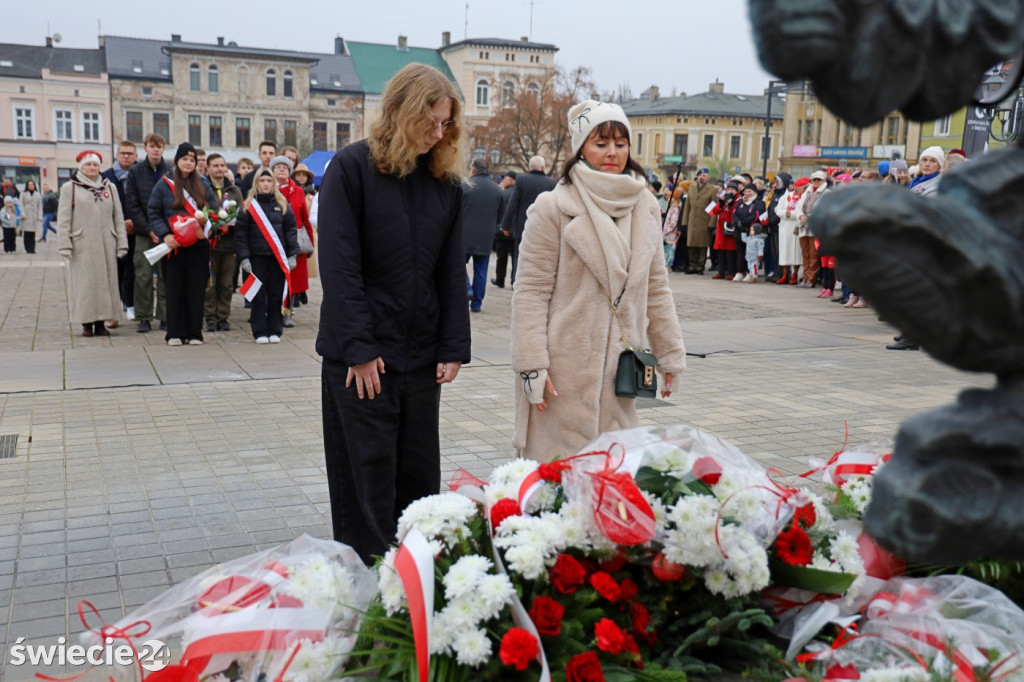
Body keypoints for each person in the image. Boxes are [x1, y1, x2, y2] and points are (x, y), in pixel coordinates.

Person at [317, 62, 471, 564]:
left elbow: (451, 272)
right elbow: (339, 268)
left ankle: (417, 582)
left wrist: (453, 347)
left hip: (421, 358)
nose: (439, 132)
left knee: (420, 479)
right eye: (431, 121)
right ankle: (368, 586)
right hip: (363, 361)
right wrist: (359, 350)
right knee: (367, 479)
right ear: (401, 112)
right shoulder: (351, 168)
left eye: (447, 123)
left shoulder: (443, 183)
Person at [510, 100, 686, 462]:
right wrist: (532, 365)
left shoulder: (645, 206)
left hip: (621, 370)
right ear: (581, 148)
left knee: (613, 480)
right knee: (556, 485)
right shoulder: (553, 207)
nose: (612, 153)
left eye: (620, 144)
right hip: (562, 371)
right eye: (601, 143)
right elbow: (530, 291)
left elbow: (656, 288)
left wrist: (669, 355)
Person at [147, 142, 218, 346]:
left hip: (197, 246)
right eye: (184, 159)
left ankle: (195, 332)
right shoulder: (164, 184)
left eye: (192, 160)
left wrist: (208, 228)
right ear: (177, 161)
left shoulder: (203, 184)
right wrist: (165, 234)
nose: (188, 163)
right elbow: (154, 212)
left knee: (196, 289)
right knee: (174, 289)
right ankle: (174, 333)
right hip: (174, 246)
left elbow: (212, 210)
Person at [57, 150, 128, 336]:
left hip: (107, 242)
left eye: (95, 165)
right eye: (88, 164)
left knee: (106, 284)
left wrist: (121, 242)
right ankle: (86, 323)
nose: (92, 168)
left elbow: (118, 216)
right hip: (83, 244)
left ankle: (101, 322)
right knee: (85, 285)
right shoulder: (70, 188)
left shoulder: (109, 187)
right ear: (81, 167)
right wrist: (64, 243)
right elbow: (63, 218)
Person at [235, 167, 298, 343]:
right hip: (256, 258)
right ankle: (259, 331)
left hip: (277, 259)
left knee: (276, 295)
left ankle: (275, 330)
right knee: (257, 296)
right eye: (262, 181)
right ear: (256, 183)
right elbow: (241, 235)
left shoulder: (283, 204)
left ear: (274, 183)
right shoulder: (248, 206)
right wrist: (244, 258)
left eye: (269, 181)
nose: (266, 184)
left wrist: (293, 254)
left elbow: (291, 231)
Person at [125, 133, 170, 333]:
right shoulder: (135, 172)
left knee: (165, 275)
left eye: (159, 146)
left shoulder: (170, 171)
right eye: (152, 146)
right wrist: (149, 229)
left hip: (166, 232)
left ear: (163, 149)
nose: (156, 149)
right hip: (144, 232)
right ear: (145, 148)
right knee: (142, 275)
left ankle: (165, 315)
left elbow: (173, 203)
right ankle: (143, 317)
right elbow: (132, 205)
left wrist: (163, 230)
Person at [271, 155, 313, 323]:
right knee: (274, 277)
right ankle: (272, 311)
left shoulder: (298, 191)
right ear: (272, 171)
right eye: (278, 166)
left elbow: (305, 218)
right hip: (272, 239)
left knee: (292, 280)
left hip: (293, 240)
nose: (282, 169)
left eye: (285, 167)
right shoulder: (267, 188)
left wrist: (309, 243)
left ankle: (287, 312)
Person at [501, 155, 556, 284]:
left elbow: (513, 204)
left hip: (523, 227)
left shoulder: (522, 180)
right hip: (544, 230)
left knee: (519, 259)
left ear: (530, 167)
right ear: (543, 167)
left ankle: (517, 284)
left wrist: (506, 226)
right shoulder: (552, 183)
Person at [462, 158, 505, 313]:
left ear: (473, 170)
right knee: (481, 270)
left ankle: (467, 288)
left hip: (464, 235)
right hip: (486, 237)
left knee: (457, 264)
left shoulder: (465, 186)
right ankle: (476, 304)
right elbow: (501, 216)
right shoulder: (497, 190)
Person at [204, 153, 241, 331]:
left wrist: (231, 225)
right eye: (216, 165)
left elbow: (241, 214)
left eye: (222, 165)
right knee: (210, 283)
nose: (219, 169)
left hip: (229, 244)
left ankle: (223, 316)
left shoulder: (234, 190)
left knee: (226, 283)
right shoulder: (203, 188)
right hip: (209, 244)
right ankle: (210, 317)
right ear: (208, 168)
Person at [102, 141, 139, 319]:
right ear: (117, 155)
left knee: (134, 270)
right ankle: (113, 310)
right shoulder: (106, 177)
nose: (126, 156)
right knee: (114, 270)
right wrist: (119, 223)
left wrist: (135, 222)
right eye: (123, 153)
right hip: (114, 231)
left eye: (130, 153)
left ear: (136, 156)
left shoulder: (141, 173)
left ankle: (131, 305)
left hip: (137, 230)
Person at [681, 168, 716, 275]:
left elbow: (714, 208)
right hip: (692, 220)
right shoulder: (692, 188)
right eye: (700, 175)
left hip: (704, 221)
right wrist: (684, 221)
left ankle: (700, 266)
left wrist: (712, 223)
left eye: (704, 175)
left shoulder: (712, 190)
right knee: (691, 244)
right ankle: (692, 266)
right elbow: (687, 207)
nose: (701, 177)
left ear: (708, 178)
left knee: (702, 245)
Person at [796, 170, 828, 288]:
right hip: (803, 225)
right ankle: (805, 277)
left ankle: (811, 279)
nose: (816, 182)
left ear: (824, 180)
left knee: (814, 254)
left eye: (819, 180)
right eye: (814, 180)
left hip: (815, 226)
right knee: (805, 254)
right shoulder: (807, 192)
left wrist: (809, 217)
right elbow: (798, 207)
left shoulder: (826, 193)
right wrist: (801, 216)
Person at [775, 176, 805, 285]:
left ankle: (795, 274)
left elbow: (800, 212)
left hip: (796, 227)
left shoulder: (803, 198)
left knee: (796, 252)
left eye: (799, 186)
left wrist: (791, 214)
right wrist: (785, 214)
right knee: (785, 251)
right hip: (785, 226)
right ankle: (785, 274)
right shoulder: (786, 197)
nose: (796, 188)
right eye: (796, 186)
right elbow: (778, 209)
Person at [733, 183, 767, 282]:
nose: (747, 193)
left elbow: (756, 215)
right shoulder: (740, 202)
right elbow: (735, 213)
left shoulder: (759, 202)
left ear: (754, 192)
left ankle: (750, 272)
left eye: (749, 191)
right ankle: (739, 272)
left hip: (751, 231)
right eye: (746, 191)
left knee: (751, 253)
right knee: (740, 252)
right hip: (739, 230)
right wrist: (738, 223)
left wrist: (745, 224)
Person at [710, 180, 741, 280]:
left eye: (732, 189)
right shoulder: (724, 199)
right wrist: (722, 202)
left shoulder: (738, 201)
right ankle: (721, 271)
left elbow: (735, 212)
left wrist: (731, 204)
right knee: (721, 252)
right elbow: (714, 211)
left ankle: (731, 272)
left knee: (730, 252)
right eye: (728, 189)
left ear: (736, 191)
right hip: (721, 229)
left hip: (730, 229)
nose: (730, 191)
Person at [491, 171, 516, 289]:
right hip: (515, 231)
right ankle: (513, 281)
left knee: (501, 257)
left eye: (505, 179)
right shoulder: (518, 193)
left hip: (502, 230)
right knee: (515, 257)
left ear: (511, 180)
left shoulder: (503, 193)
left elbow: (496, 211)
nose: (503, 181)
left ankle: (500, 280)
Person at [19, 179, 41, 254]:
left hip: (34, 215)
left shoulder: (37, 194)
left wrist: (39, 216)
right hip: (26, 215)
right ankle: (27, 248)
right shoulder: (23, 194)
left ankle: (32, 248)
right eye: (29, 185)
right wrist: (22, 213)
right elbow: (21, 204)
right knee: (27, 233)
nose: (31, 186)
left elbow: (40, 206)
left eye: (32, 185)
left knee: (33, 233)